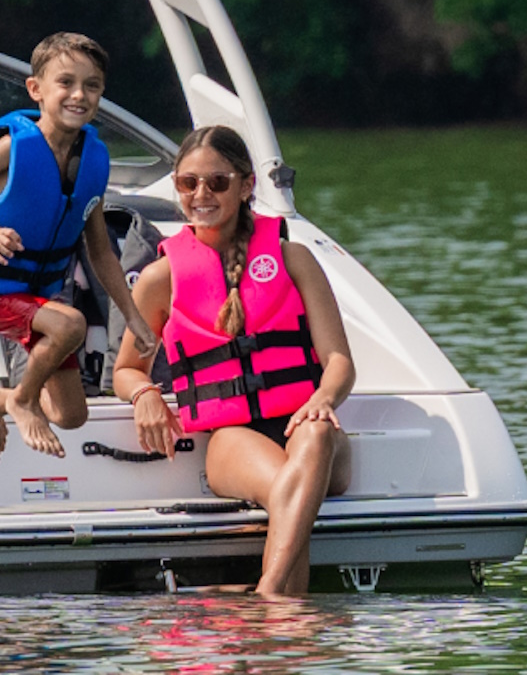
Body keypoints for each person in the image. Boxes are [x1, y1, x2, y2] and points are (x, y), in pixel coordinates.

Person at [112, 125, 354, 596]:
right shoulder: (161, 278)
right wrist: (143, 394)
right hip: (231, 439)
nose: (201, 194)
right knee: (293, 492)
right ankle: (280, 606)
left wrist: (323, 398)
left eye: (217, 182)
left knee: (318, 434)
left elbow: (339, 360)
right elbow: (126, 369)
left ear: (246, 186)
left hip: (305, 426)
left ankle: (268, 599)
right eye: (188, 183)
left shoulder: (293, 258)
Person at [0, 32, 160, 463]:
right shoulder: (13, 148)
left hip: (39, 299)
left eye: (92, 86)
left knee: (71, 415)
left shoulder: (92, 161)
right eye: (66, 83)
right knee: (71, 325)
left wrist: (132, 315)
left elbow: (100, 252)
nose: (79, 95)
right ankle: (22, 400)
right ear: (36, 89)